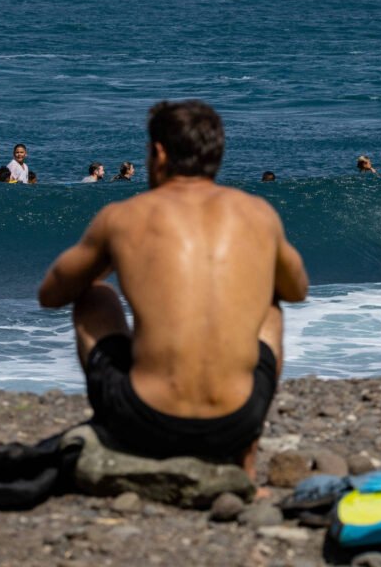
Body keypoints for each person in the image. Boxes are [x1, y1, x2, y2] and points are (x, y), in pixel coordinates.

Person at [37, 100, 308, 478]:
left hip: (145, 421)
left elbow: (51, 294)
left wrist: (113, 252)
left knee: (95, 295)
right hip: (235, 422)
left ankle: (117, 439)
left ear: (159, 152)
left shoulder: (123, 216)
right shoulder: (258, 212)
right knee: (271, 306)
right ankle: (244, 460)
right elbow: (297, 290)